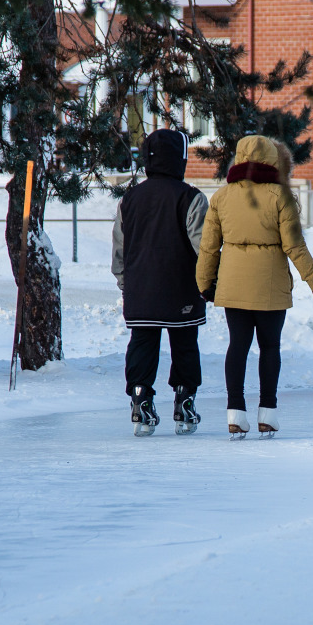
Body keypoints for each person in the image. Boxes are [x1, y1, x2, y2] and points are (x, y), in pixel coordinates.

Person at [196, 135, 313, 437]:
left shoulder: (221, 197)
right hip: (270, 286)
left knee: (238, 346)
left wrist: (205, 283)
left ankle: (235, 413)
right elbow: (295, 246)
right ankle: (267, 414)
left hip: (233, 286)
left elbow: (209, 248)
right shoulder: (279, 197)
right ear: (272, 161)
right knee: (270, 347)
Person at [112, 129, 209, 436]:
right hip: (182, 288)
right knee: (184, 344)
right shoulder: (191, 198)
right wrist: (209, 281)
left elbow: (119, 246)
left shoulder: (129, 199)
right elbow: (202, 246)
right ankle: (185, 402)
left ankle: (140, 400)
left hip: (141, 288)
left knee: (142, 343)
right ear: (181, 160)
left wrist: (125, 282)